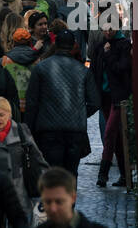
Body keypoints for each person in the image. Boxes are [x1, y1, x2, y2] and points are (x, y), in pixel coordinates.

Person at [23, 30, 100, 176]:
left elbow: (32, 103)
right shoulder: (83, 71)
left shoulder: (40, 68)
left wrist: (30, 131)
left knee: (52, 172)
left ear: (55, 44)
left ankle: (54, 198)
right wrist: (80, 112)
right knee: (71, 173)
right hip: (74, 130)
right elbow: (95, 102)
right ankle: (70, 198)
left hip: (48, 129)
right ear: (72, 47)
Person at [0, 97, 48, 223]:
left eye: (1, 115)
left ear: (9, 114)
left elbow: (38, 160)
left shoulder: (21, 132)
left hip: (20, 197)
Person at [88, 21, 132, 187]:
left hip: (119, 97)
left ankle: (103, 174)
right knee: (116, 136)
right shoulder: (101, 46)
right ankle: (125, 175)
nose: (107, 31)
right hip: (105, 97)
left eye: (111, 28)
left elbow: (121, 68)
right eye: (104, 28)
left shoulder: (123, 45)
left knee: (109, 132)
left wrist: (108, 54)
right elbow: (94, 71)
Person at [0, 28, 37, 113]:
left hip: (11, 107)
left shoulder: (4, 60)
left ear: (14, 43)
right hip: (32, 106)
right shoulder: (37, 60)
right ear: (29, 42)